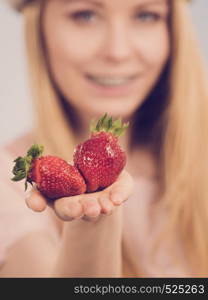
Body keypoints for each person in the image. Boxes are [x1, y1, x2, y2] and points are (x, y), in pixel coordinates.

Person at [0, 0, 208, 277]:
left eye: (146, 15)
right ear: (39, 29)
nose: (118, 52)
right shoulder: (11, 182)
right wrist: (92, 216)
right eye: (85, 15)